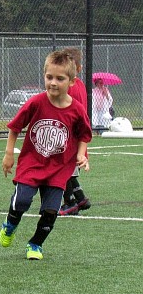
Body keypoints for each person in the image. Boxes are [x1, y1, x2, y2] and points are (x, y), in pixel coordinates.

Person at [0, 49, 92, 261]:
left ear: (71, 82)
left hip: (59, 168)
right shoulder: (36, 103)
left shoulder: (76, 110)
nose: (53, 82)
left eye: (60, 78)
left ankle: (35, 244)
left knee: (51, 211)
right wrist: (8, 155)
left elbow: (83, 135)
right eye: (49, 77)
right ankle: (10, 225)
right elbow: (15, 128)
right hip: (33, 163)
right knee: (22, 200)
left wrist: (81, 155)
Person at [58, 48, 91, 216]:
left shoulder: (69, 88)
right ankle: (81, 198)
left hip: (70, 135)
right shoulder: (81, 85)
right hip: (77, 134)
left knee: (61, 170)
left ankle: (70, 203)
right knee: (70, 172)